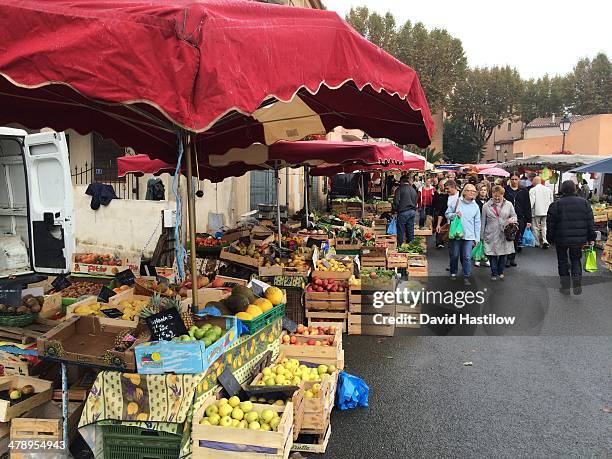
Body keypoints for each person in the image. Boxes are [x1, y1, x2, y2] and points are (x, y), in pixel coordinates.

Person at [547, 180, 596, 295]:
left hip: (561, 238)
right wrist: (591, 237)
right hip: (578, 239)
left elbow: (551, 224)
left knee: (563, 261)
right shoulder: (584, 203)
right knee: (576, 259)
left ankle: (565, 287)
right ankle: (577, 280)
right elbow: (590, 222)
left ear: (562, 189)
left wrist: (550, 238)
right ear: (575, 189)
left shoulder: (555, 204)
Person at [445, 183, 481, 286]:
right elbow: (447, 214)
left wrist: (477, 238)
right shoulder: (456, 202)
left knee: (467, 256)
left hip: (469, 236)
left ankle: (466, 276)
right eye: (470, 190)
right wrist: (454, 215)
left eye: (474, 191)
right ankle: (453, 272)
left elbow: (477, 223)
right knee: (455, 255)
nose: (472, 193)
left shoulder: (475, 206)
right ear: (464, 192)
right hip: (456, 235)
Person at [481, 186, 518, 281]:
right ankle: (494, 273)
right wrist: (481, 237)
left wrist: (511, 220)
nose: (497, 198)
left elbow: (514, 216)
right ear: (492, 194)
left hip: (505, 233)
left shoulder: (509, 204)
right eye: (495, 196)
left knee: (504, 254)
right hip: (491, 233)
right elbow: (483, 222)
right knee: (492, 254)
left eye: (499, 196)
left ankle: (500, 271)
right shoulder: (486, 206)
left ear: (503, 194)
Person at [505, 172, 532, 267]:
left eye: (516, 179)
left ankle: (512, 258)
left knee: (516, 238)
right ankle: (507, 258)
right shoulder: (506, 190)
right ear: (510, 179)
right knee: (508, 238)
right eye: (512, 179)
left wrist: (529, 220)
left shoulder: (523, 191)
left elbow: (527, 206)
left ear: (519, 180)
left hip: (520, 218)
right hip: (507, 217)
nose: (514, 181)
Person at [529, 176, 553, 249]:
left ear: (535, 181)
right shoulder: (548, 190)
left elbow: (531, 202)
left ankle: (537, 242)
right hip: (546, 211)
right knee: (544, 227)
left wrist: (528, 211)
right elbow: (551, 201)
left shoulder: (533, 190)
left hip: (536, 211)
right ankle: (545, 241)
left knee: (535, 227)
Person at [393, 175, 418, 245]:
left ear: (402, 181)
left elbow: (396, 202)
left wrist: (394, 210)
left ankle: (400, 245)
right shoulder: (413, 189)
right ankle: (410, 244)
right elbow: (416, 201)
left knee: (401, 229)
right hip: (412, 211)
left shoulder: (399, 189)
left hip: (403, 211)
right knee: (410, 229)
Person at [474, 183, 491, 267]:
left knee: (486, 241)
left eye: (485, 190)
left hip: (488, 223)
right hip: (478, 223)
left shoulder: (489, 201)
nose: (483, 192)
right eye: (481, 190)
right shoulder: (475, 201)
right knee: (478, 241)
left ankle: (485, 257)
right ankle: (477, 257)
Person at [432, 183, 448, 248]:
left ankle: (443, 240)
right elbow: (433, 202)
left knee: (445, 227)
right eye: (440, 185)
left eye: (442, 185)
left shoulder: (447, 194)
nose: (441, 186)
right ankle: (438, 242)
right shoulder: (436, 193)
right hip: (438, 212)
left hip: (445, 212)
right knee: (438, 226)